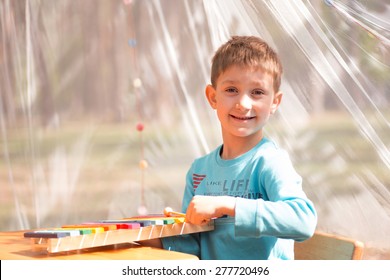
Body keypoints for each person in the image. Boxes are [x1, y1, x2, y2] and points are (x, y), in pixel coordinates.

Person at [142, 35, 317, 260]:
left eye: (257, 92)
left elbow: (303, 221)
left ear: (274, 102)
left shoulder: (270, 162)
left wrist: (227, 205)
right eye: (232, 89)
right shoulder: (199, 171)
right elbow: (191, 248)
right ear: (213, 97)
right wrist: (148, 237)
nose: (243, 104)